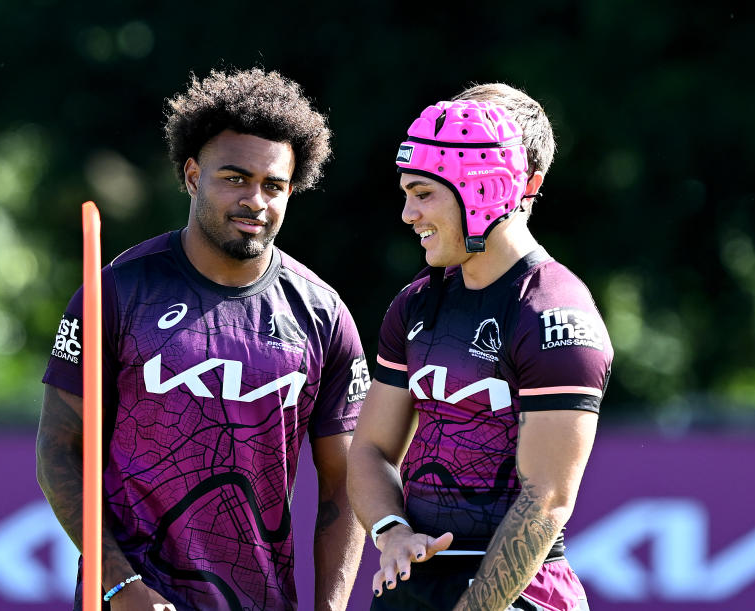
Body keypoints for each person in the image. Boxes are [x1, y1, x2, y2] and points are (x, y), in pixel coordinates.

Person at [37, 68, 368, 611]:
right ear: (193, 175)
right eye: (234, 178)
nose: (255, 201)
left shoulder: (323, 314)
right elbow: (57, 453)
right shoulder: (117, 292)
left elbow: (344, 486)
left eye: (273, 185)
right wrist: (119, 584)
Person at [347, 84, 613, 611]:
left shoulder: (555, 313)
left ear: (484, 186)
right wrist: (393, 532)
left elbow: (548, 500)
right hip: (415, 583)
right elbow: (371, 450)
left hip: (520, 592)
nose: (407, 214)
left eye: (424, 194)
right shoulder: (415, 303)